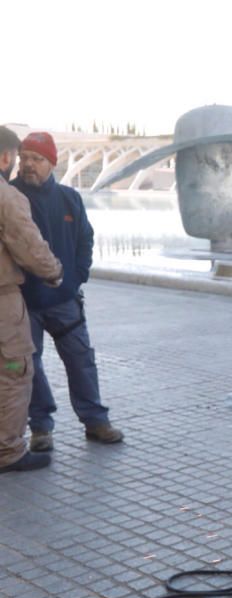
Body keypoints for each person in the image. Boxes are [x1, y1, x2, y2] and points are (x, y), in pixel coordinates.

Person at [12, 132, 124, 452]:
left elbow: (85, 239)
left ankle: (95, 420)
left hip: (64, 301)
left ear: (51, 163)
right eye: (25, 159)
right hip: (23, 303)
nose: (29, 165)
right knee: (29, 366)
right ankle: (41, 428)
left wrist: (77, 277)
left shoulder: (69, 198)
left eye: (36, 159)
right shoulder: (10, 198)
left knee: (81, 360)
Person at [0, 126, 63, 473]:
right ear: (7, 157)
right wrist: (54, 272)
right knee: (13, 372)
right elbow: (30, 247)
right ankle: (8, 451)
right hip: (3, 302)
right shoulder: (6, 196)